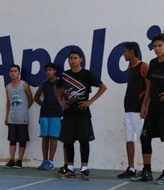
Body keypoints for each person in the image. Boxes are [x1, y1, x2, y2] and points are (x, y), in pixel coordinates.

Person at [55, 50, 107, 180]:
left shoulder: (87, 74)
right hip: (68, 113)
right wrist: (60, 101)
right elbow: (56, 88)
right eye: (70, 58)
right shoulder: (65, 75)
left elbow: (103, 87)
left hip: (83, 113)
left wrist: (90, 101)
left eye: (75, 58)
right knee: (68, 141)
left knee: (84, 141)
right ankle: (70, 167)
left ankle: (84, 168)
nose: (72, 60)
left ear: (81, 60)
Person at [139, 34, 164, 185]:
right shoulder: (152, 63)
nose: (157, 49)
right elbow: (149, 86)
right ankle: (147, 171)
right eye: (154, 46)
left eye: (160, 45)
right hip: (153, 106)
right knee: (145, 137)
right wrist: (144, 104)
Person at [118, 42, 148, 179]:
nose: (124, 54)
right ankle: (131, 168)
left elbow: (149, 87)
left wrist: (144, 105)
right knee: (129, 139)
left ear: (132, 52)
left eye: (125, 52)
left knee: (143, 139)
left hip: (138, 111)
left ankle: (146, 169)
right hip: (128, 109)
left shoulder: (143, 66)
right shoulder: (131, 68)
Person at [4, 64, 33, 168]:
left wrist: (24, 109)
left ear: (19, 72)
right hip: (12, 117)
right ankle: (11, 160)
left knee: (22, 139)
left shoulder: (24, 85)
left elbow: (31, 99)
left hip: (22, 118)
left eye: (15, 71)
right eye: (11, 71)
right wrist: (7, 116)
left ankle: (19, 160)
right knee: (12, 139)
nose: (13, 73)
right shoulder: (7, 87)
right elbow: (8, 102)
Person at [34, 63, 61, 170]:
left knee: (53, 137)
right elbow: (36, 97)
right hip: (45, 113)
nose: (48, 72)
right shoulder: (43, 84)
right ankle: (44, 160)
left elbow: (66, 95)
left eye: (50, 70)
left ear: (54, 71)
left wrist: (61, 105)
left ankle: (50, 161)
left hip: (56, 113)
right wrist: (43, 105)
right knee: (45, 137)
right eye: (46, 70)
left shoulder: (60, 82)